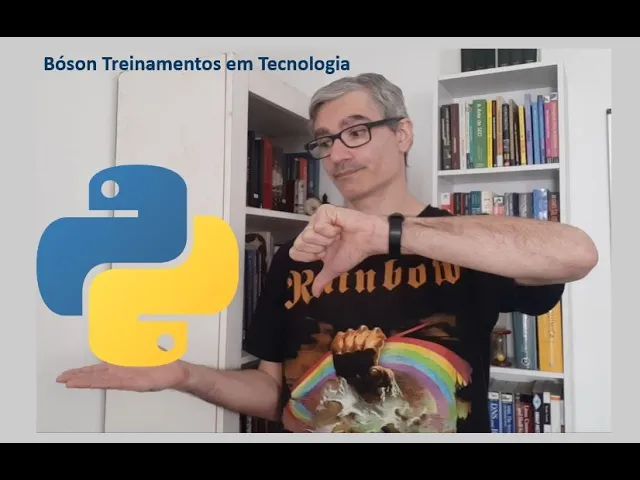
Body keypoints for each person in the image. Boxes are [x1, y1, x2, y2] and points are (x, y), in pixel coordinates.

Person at [57, 73, 598, 433]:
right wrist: (183, 376)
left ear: (403, 134)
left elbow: (577, 252)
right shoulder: (297, 255)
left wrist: (388, 233)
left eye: (355, 131)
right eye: (323, 140)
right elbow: (274, 393)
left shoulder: (459, 242)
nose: (337, 153)